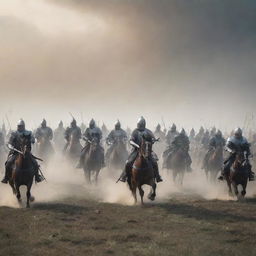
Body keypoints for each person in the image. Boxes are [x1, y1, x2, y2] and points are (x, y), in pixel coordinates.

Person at [119, 116, 163, 183]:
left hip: (147, 150)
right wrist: (137, 146)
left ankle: (157, 176)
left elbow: (152, 139)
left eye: (142, 124)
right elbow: (131, 141)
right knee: (128, 162)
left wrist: (154, 140)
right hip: (136, 150)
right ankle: (124, 176)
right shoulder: (135, 131)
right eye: (140, 124)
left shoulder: (148, 131)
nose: (141, 125)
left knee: (154, 162)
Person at [1, 119, 43, 183]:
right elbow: (9, 143)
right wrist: (11, 147)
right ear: (17, 126)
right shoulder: (14, 133)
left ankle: (37, 177)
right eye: (19, 126)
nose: (20, 127)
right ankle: (6, 177)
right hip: (15, 152)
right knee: (8, 163)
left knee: (35, 163)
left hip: (26, 152)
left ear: (24, 126)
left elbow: (33, 140)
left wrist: (32, 140)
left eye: (21, 126)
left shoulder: (28, 132)